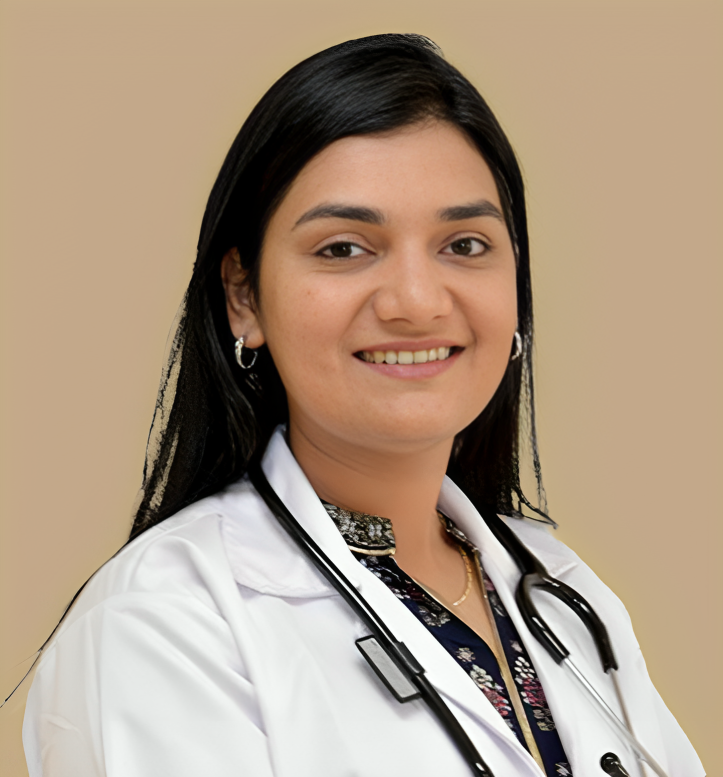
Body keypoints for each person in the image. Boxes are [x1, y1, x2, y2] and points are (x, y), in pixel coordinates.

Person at [22, 34, 703, 777]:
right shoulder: (164, 623)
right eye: (344, 248)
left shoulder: (564, 589)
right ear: (243, 296)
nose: (416, 301)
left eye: (464, 244)